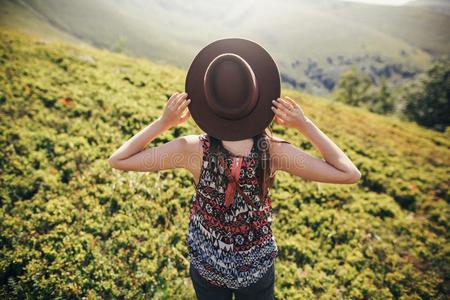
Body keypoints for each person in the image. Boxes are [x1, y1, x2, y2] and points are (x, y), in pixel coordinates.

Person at [108, 38, 361, 300]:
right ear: (258, 97)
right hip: (256, 268)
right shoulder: (274, 152)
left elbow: (119, 159)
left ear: (209, 101)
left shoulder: (191, 150)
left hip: (207, 264)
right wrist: (305, 125)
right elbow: (349, 173)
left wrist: (163, 122)